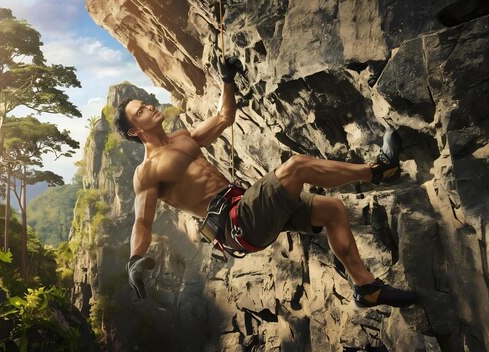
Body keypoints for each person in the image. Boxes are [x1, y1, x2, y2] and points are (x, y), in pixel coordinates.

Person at [115, 55, 418, 308]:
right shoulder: (146, 172)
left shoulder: (182, 137)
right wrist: (134, 260)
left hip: (248, 208)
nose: (150, 107)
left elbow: (224, 117)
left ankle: (367, 288)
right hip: (237, 224)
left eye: (146, 103)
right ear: (134, 132)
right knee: (296, 166)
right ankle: (378, 171)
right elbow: (142, 221)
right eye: (140, 111)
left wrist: (227, 81)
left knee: (333, 210)